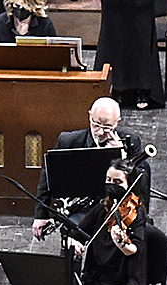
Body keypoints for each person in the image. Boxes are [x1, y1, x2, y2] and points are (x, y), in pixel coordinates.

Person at [46, 154, 151, 285]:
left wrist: (120, 241)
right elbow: (75, 234)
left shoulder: (136, 216)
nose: (111, 185)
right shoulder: (101, 210)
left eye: (118, 182)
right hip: (97, 283)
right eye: (108, 180)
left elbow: (133, 249)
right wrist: (73, 242)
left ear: (130, 185)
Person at [30, 97, 150, 238]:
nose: (100, 132)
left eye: (107, 127)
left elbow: (140, 183)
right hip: (82, 210)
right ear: (89, 116)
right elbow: (49, 174)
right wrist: (41, 214)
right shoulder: (68, 141)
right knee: (72, 236)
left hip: (116, 208)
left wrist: (121, 157)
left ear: (117, 122)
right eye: (96, 124)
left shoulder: (130, 142)